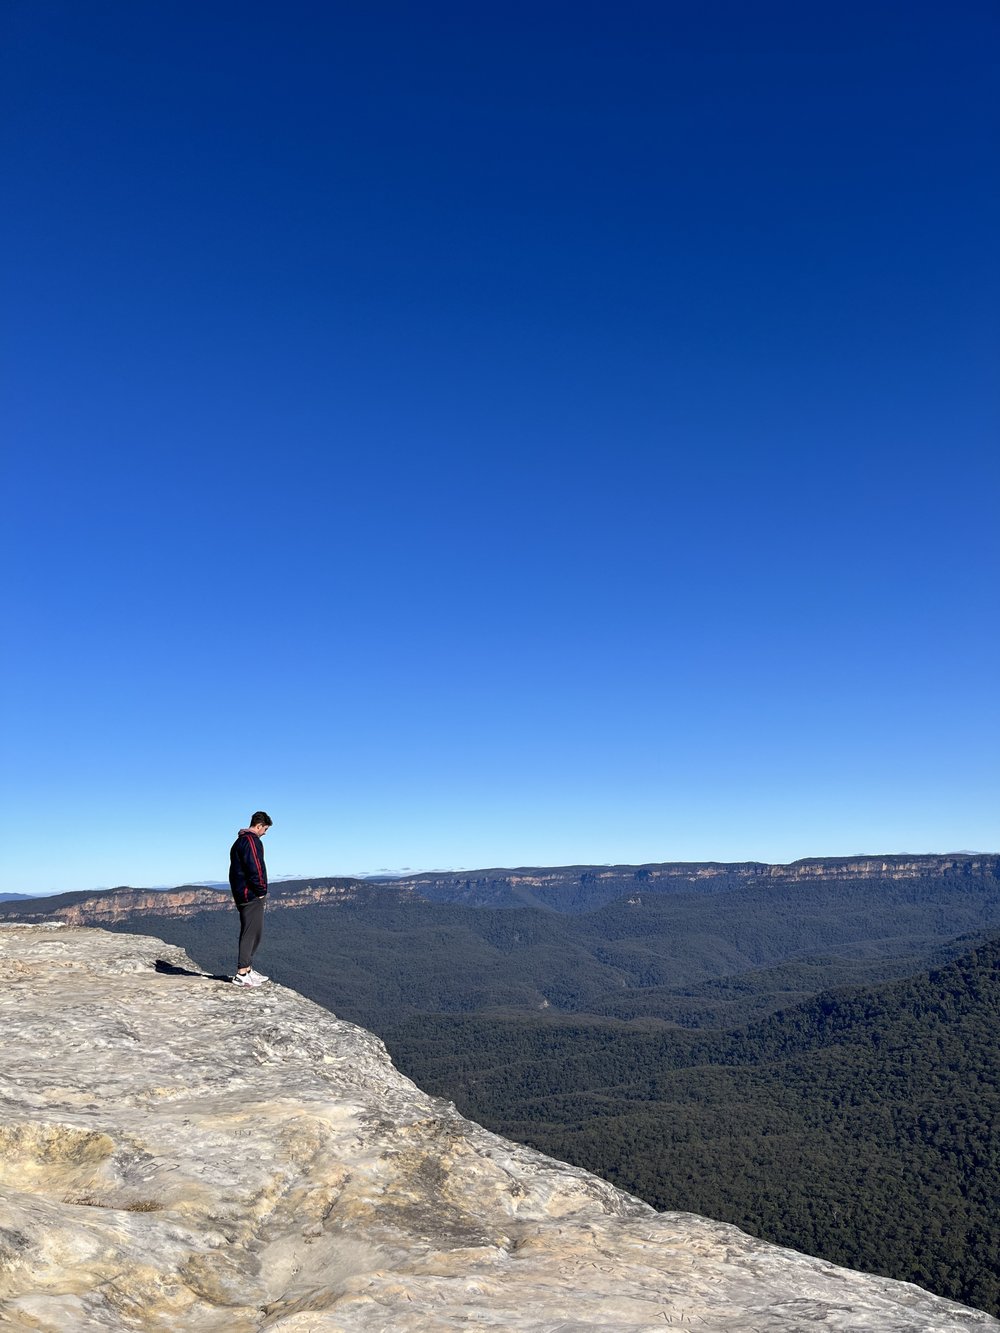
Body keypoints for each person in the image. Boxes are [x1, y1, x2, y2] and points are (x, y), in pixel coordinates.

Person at [230, 812, 272, 987]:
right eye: (266, 829)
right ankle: (241, 974)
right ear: (259, 825)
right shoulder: (251, 841)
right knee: (250, 933)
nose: (265, 833)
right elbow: (255, 867)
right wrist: (261, 890)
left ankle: (247, 969)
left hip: (243, 893)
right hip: (251, 895)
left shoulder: (240, 841)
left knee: (255, 932)